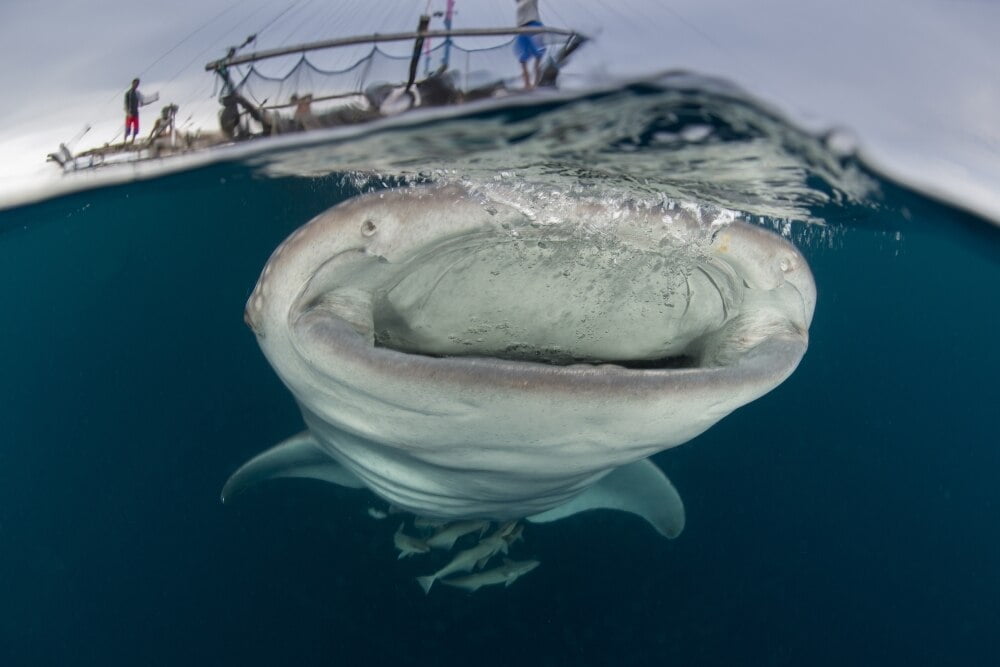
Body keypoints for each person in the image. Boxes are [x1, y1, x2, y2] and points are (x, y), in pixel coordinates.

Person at [514, 0, 547, 89]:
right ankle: (527, 84)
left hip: (534, 25)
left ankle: (536, 83)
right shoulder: (519, 2)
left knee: (538, 55)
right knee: (522, 59)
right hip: (522, 28)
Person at [123, 78, 158, 144]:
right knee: (128, 129)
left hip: (136, 113)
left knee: (136, 128)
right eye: (136, 84)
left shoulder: (137, 93)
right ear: (133, 83)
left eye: (138, 84)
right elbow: (125, 105)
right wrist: (128, 113)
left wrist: (153, 99)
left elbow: (143, 100)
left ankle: (132, 141)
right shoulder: (128, 93)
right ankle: (125, 141)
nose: (137, 85)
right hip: (129, 114)